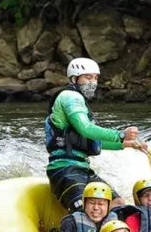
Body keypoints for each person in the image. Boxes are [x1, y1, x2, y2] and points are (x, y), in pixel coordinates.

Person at [46, 57, 145, 213]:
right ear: (74, 78)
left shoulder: (79, 101)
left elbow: (90, 140)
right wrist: (120, 135)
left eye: (96, 78)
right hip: (65, 170)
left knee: (117, 203)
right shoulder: (70, 97)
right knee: (89, 212)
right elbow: (86, 128)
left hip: (83, 169)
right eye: (88, 77)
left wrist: (126, 144)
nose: (93, 82)